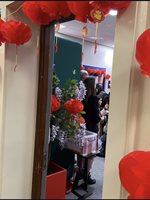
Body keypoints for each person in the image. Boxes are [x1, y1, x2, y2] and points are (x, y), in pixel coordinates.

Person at [82, 77, 101, 184]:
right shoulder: (94, 98)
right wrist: (101, 118)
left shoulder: (82, 97)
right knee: (91, 154)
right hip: (92, 129)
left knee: (82, 152)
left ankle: (80, 172)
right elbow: (96, 116)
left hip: (82, 126)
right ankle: (86, 175)